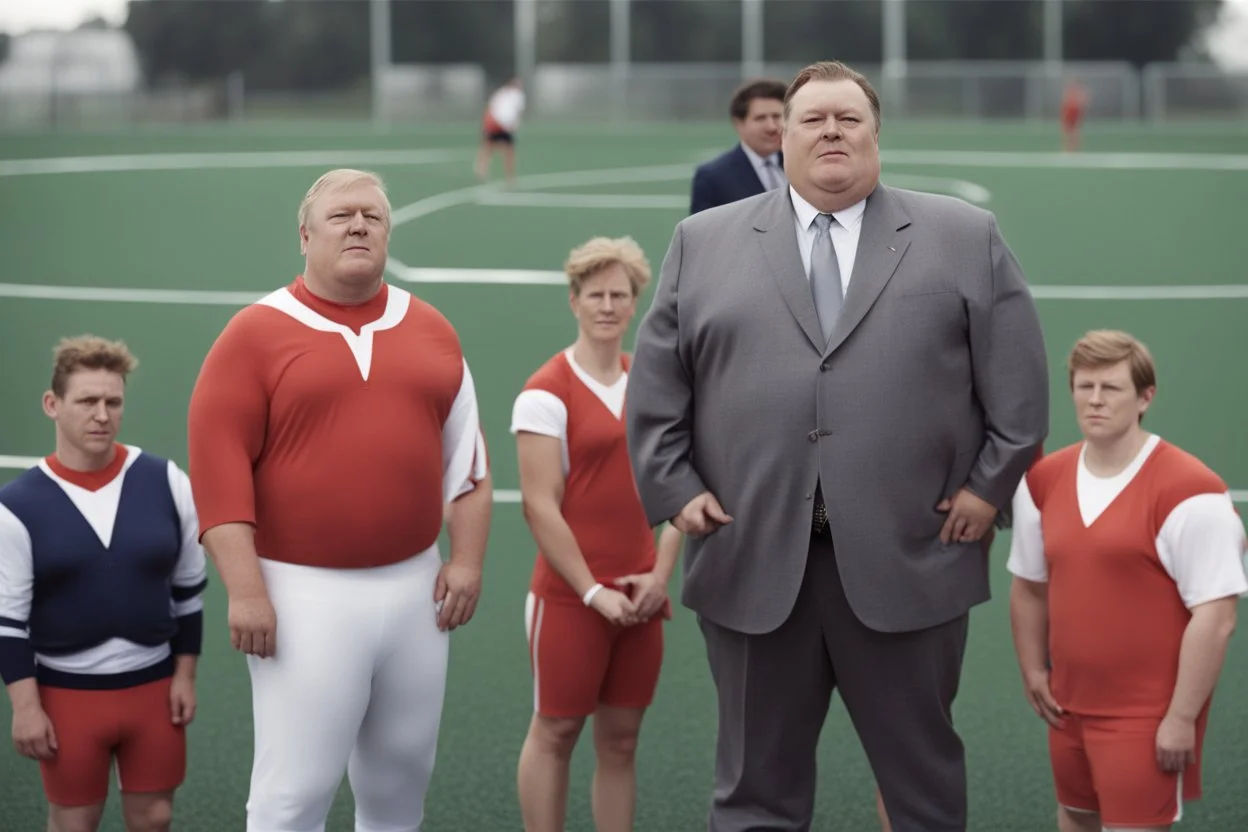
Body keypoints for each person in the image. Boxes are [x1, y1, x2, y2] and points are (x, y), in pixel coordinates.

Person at [625, 59, 1049, 832]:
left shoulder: (962, 235)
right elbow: (656, 393)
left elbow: (1019, 394)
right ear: (778, 137)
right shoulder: (702, 241)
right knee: (755, 794)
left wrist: (989, 490)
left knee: (922, 789)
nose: (830, 131)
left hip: (912, 557)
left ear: (876, 135)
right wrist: (676, 489)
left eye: (848, 119)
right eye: (812, 119)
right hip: (751, 557)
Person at [187, 168, 492, 832]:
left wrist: (465, 562)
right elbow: (218, 476)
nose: (358, 226)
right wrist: (245, 590)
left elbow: (468, 463)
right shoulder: (253, 334)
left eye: (373, 217)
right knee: (295, 792)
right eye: (341, 216)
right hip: (301, 594)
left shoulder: (432, 329)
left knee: (400, 782)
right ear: (305, 234)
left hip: (416, 591)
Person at [1007, 330, 1246, 832]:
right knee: (1075, 816)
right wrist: (1033, 670)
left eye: (1111, 388)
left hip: (1147, 716)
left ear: (1144, 398)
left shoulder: (1191, 492)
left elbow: (1217, 617)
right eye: (1084, 386)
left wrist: (1181, 717)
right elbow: (1030, 585)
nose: (1095, 400)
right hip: (1067, 706)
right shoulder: (1043, 480)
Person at [511, 236, 684, 832]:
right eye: (595, 294)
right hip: (570, 600)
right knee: (556, 731)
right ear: (574, 301)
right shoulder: (544, 392)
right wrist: (591, 591)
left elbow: (679, 492)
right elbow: (540, 508)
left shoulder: (655, 386)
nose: (607, 306)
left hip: (641, 600)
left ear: (635, 303)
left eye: (619, 294)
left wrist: (660, 577)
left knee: (622, 743)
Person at [0, 335, 207, 832]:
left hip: (152, 688)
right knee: (74, 822)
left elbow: (188, 588)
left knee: (155, 817)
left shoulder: (165, 480)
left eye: (112, 402)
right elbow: (9, 621)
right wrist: (25, 709)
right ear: (53, 405)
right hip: (66, 693)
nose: (101, 415)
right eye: (87, 401)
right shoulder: (16, 506)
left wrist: (184, 675)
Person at [689, 78, 788, 215]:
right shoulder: (713, 177)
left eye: (777, 116)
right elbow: (702, 233)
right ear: (738, 124)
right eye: (760, 118)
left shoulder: (801, 163)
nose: (771, 127)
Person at [475, 76, 526, 184]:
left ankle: (483, 170)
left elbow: (492, 107)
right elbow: (515, 112)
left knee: (491, 148)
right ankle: (508, 177)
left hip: (496, 123)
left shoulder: (502, 93)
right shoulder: (515, 95)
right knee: (504, 150)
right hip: (500, 124)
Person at [1060, 79, 1089, 153]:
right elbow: (1066, 101)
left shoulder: (1082, 92)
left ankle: (1073, 149)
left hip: (1076, 113)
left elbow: (1084, 103)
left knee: (1075, 132)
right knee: (1068, 133)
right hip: (1069, 113)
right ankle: (1068, 149)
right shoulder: (1070, 91)